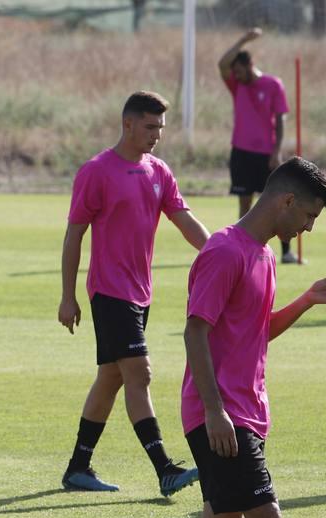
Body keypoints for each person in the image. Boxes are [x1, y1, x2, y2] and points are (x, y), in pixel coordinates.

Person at [167, 157, 326, 518]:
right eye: (310, 215)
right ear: (286, 201)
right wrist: (214, 411)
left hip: (247, 410)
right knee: (264, 517)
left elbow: (256, 330)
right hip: (222, 413)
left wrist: (308, 301)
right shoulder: (223, 252)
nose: (310, 227)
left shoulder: (264, 257)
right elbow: (195, 332)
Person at [58, 91, 210, 496]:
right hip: (109, 292)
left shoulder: (159, 171)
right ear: (127, 124)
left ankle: (78, 467)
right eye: (149, 127)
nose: (156, 135)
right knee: (139, 373)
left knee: (111, 377)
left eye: (160, 128)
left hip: (141, 294)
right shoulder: (96, 171)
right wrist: (67, 295)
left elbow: (185, 220)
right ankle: (164, 468)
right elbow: (74, 234)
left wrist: (220, 251)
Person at [218, 28, 294, 263]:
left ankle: (286, 252)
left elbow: (281, 119)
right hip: (241, 152)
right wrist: (242, 40)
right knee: (244, 202)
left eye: (239, 71)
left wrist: (276, 151)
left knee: (276, 202)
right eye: (234, 73)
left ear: (250, 65)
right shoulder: (237, 86)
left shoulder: (273, 84)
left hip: (266, 154)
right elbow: (222, 64)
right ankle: (242, 248)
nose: (236, 76)